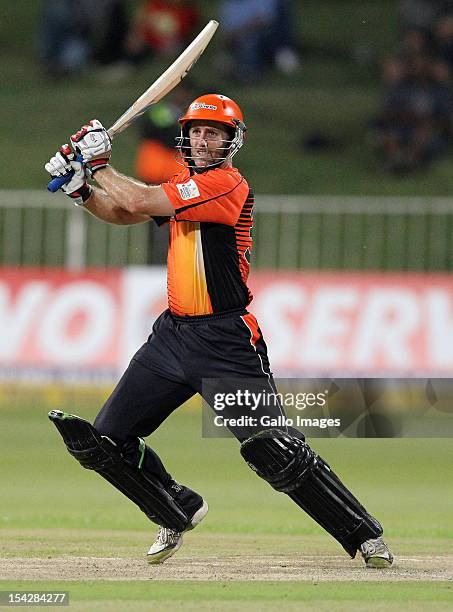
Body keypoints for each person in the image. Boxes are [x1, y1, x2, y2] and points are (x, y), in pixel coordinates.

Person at [44, 94, 393, 568]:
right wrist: (79, 185)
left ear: (232, 141)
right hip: (171, 339)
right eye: (198, 131)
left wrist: (96, 162)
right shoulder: (181, 182)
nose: (205, 139)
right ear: (185, 137)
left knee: (275, 450)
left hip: (226, 343)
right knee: (105, 441)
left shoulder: (226, 185)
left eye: (215, 133)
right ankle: (176, 508)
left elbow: (138, 198)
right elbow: (123, 214)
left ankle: (364, 536)